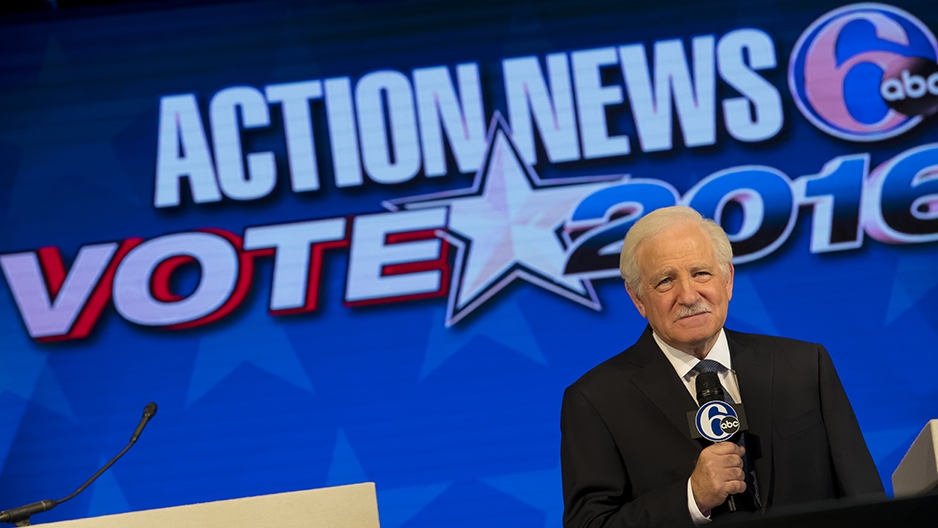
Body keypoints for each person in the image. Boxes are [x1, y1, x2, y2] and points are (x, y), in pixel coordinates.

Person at [560, 206, 884, 527]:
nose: (688, 295)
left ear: (727, 279)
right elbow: (590, 523)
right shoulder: (596, 401)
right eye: (665, 281)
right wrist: (691, 497)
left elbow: (863, 497)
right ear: (638, 299)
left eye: (701, 273)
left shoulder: (803, 367)